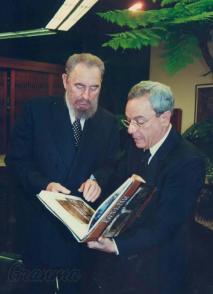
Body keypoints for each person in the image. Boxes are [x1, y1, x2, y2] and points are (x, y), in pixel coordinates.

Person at [6, 53, 120, 293]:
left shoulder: (108, 122)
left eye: (94, 88)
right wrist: (44, 185)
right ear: (65, 80)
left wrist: (97, 179)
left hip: (82, 236)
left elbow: (110, 164)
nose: (86, 96)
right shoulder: (36, 112)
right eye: (79, 86)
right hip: (41, 227)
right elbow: (16, 161)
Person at [87, 81, 205, 294]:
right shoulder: (137, 145)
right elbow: (114, 167)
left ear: (165, 118)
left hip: (159, 271)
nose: (131, 130)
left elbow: (165, 225)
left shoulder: (187, 161)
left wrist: (116, 246)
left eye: (139, 121)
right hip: (125, 269)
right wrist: (96, 180)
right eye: (128, 121)